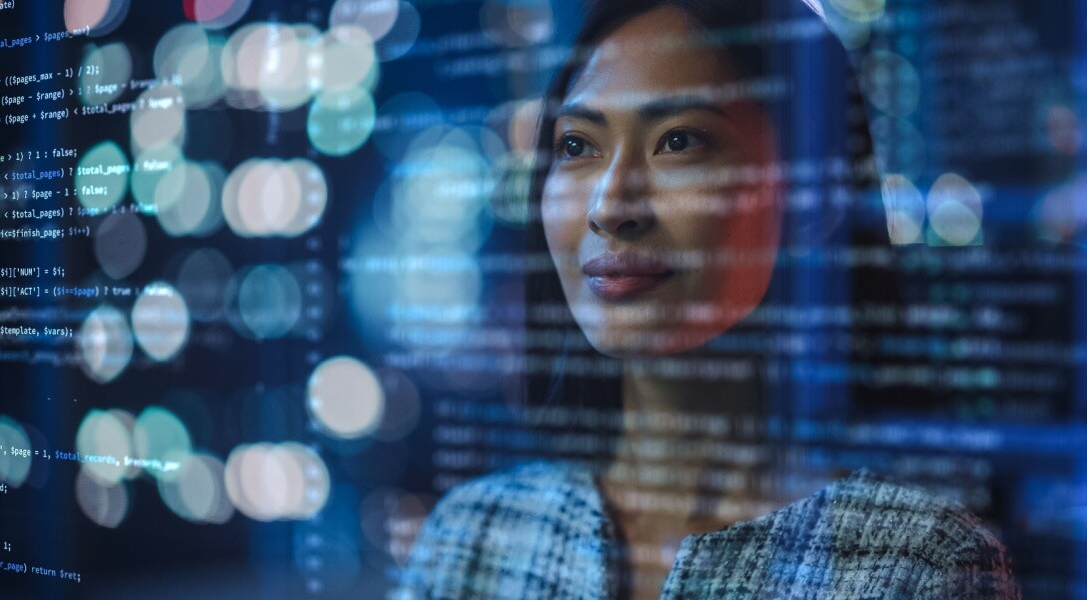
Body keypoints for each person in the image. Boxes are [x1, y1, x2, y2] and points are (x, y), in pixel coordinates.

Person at [401, 0, 1021, 597]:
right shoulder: (475, 540)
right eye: (577, 145)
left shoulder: (917, 565)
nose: (610, 207)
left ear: (816, 198)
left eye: (678, 141)